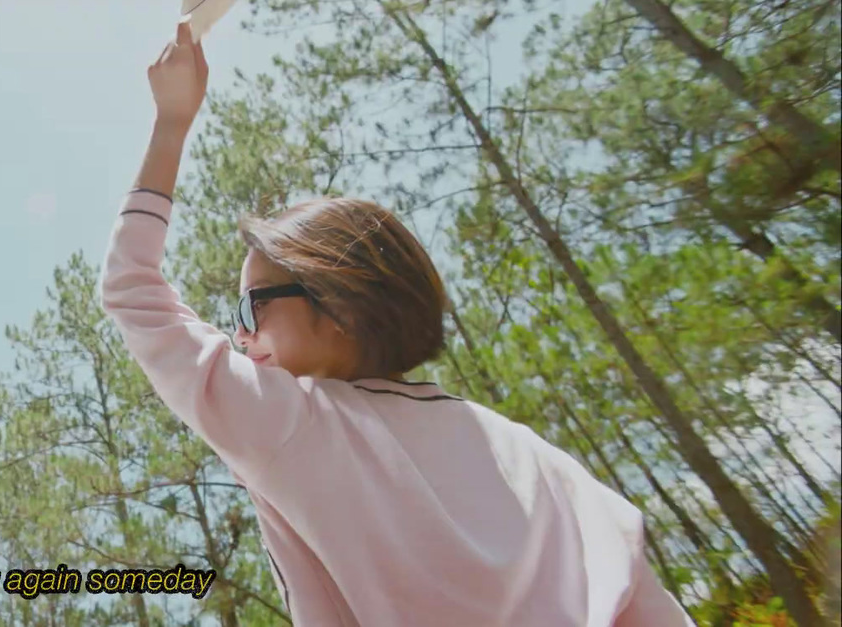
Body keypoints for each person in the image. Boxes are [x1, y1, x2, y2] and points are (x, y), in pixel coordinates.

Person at [96, 22, 695, 626]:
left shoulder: (295, 424)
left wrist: (171, 123)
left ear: (342, 307)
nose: (240, 337)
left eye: (253, 308)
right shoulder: (531, 452)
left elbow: (130, 288)